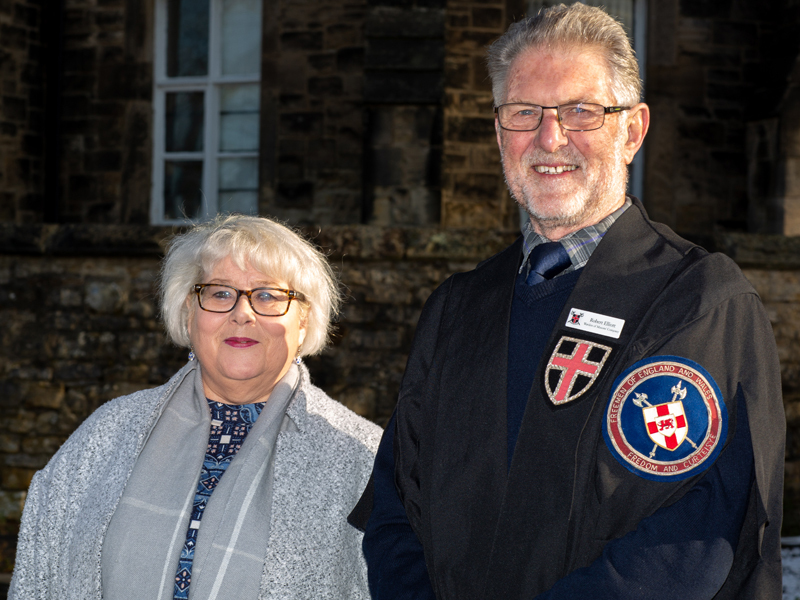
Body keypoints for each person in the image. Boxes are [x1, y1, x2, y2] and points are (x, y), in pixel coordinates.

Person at [352, 3, 785, 599]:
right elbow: (397, 506)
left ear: (632, 131)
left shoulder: (699, 301)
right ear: (499, 132)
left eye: (581, 111)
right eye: (524, 112)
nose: (550, 137)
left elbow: (693, 537)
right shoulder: (457, 307)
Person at [10, 214, 382, 600]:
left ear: (303, 321)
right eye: (220, 293)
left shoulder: (363, 458)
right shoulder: (105, 435)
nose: (243, 313)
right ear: (189, 312)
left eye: (268, 296)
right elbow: (36, 581)